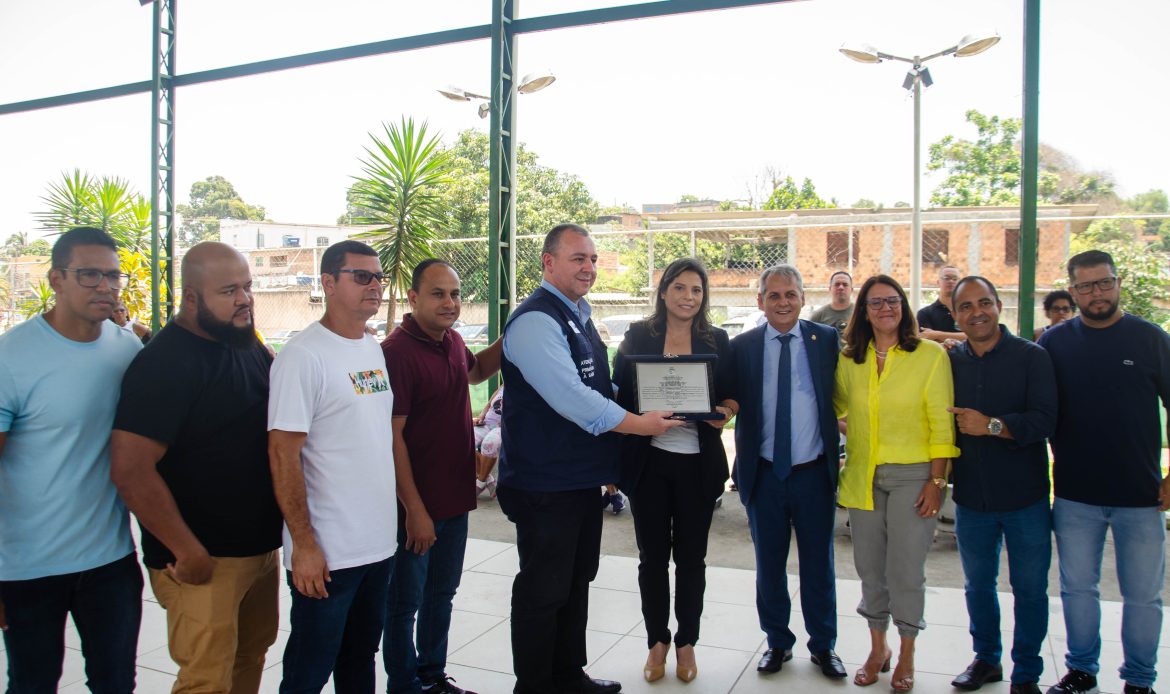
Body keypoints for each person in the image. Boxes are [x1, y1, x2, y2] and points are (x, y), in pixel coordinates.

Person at [497, 222, 680, 694]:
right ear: (548, 262)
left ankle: (568, 675)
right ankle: (534, 686)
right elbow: (573, 399)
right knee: (544, 589)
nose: (589, 267)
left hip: (578, 478)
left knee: (576, 579)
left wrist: (649, 404)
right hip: (543, 483)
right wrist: (639, 424)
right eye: (578, 258)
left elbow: (600, 387)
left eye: (593, 259)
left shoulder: (577, 314)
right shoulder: (536, 321)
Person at [110, 242, 284, 693]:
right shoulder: (165, 363)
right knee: (206, 679)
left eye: (247, 287)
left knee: (250, 655)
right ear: (190, 297)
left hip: (257, 550)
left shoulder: (243, 341)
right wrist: (186, 550)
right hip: (203, 558)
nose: (244, 299)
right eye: (229, 291)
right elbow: (131, 469)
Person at [0, 226, 144, 691]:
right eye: (89, 275)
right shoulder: (11, 358)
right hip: (27, 567)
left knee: (116, 681)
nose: (105, 286)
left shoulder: (127, 349)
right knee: (33, 683)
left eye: (113, 275)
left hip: (111, 560)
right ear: (55, 279)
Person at [268, 240, 397, 693]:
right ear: (327, 282)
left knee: (359, 659)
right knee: (309, 669)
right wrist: (304, 545)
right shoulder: (303, 356)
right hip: (328, 554)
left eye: (378, 277)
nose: (374, 285)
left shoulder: (371, 347)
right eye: (361, 276)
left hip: (376, 545)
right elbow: (283, 455)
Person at [1039, 250, 1169, 694]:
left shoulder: (1150, 339)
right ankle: (1081, 671)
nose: (1097, 293)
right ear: (1072, 291)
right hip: (1075, 494)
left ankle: (1139, 680)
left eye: (1104, 283)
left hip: (1142, 495)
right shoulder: (1055, 343)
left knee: (1144, 596)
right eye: (1086, 286)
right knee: (1077, 590)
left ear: (1118, 283)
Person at [611, 257, 737, 683]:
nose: (688, 297)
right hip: (649, 465)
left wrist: (723, 412)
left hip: (698, 467)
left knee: (691, 560)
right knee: (652, 559)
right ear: (663, 291)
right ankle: (657, 641)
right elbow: (619, 395)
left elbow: (733, 395)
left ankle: (686, 643)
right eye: (680, 288)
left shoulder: (717, 339)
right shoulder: (638, 335)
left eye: (696, 290)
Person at [381, 258, 502, 694]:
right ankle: (404, 685)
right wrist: (414, 510)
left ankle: (433, 676)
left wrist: (515, 333)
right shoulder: (396, 353)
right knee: (404, 603)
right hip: (415, 506)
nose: (450, 303)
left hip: (454, 498)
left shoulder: (451, 340)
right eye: (438, 294)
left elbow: (476, 371)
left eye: (455, 294)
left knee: (441, 595)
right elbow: (391, 437)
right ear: (413, 298)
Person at [834, 274, 958, 692]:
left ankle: (907, 651)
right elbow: (832, 403)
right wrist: (849, 425)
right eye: (875, 302)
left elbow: (942, 424)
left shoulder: (930, 355)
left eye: (893, 300)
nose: (885, 308)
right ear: (863, 311)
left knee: (905, 570)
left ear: (903, 307)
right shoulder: (850, 359)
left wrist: (937, 481)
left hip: (914, 476)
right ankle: (878, 648)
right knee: (870, 570)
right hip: (863, 475)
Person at [728, 264, 846, 680]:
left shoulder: (825, 339)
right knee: (769, 565)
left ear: (802, 298)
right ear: (760, 301)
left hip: (813, 472)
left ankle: (824, 645)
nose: (782, 303)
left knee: (818, 565)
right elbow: (728, 396)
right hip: (764, 474)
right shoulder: (742, 346)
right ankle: (778, 641)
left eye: (790, 295)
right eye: (774, 296)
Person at [945, 276, 1058, 694]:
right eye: (966, 306)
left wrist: (992, 426)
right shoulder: (950, 362)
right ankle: (986, 659)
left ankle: (1026, 673)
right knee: (978, 586)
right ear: (955, 315)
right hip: (972, 498)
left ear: (998, 306)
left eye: (984, 303)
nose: (977, 312)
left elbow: (1045, 421)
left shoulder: (1032, 357)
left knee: (1029, 590)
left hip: (1025, 498)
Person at [916, 265, 965, 343]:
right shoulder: (925, 313)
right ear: (938, 282)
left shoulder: (967, 310)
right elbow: (926, 340)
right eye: (946, 278)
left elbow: (974, 336)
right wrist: (960, 337)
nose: (951, 281)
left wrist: (936, 334)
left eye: (955, 278)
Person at [473, 385, 504, 498]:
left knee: (489, 444)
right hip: (485, 424)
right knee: (462, 441)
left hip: (502, 427)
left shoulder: (526, 387)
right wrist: (481, 417)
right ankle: (489, 480)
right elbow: (489, 404)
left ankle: (480, 482)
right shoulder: (503, 386)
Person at [809, 270, 854, 337]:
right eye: (837, 284)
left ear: (851, 290)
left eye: (845, 285)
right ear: (830, 289)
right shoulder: (818, 316)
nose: (841, 287)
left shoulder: (860, 313)